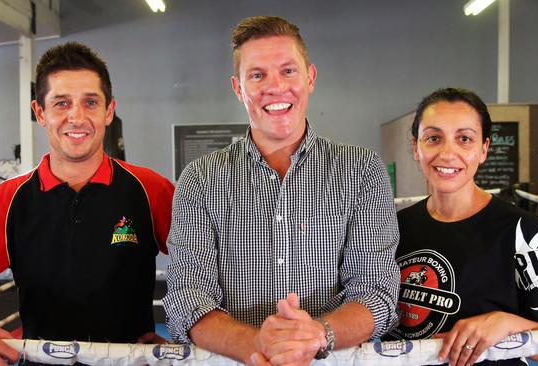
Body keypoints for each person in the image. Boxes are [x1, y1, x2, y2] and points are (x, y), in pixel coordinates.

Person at [164, 15, 400, 366]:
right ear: (238, 88)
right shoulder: (199, 179)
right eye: (257, 75)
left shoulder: (362, 170)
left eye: (288, 71)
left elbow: (377, 293)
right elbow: (187, 298)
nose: (275, 87)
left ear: (310, 78)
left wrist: (316, 335)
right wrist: (256, 343)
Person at [0, 42, 174, 365]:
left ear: (109, 111)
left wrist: (189, 330)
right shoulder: (7, 201)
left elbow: (213, 266)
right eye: (61, 103)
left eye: (90, 102)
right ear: (39, 113)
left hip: (133, 362)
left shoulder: (150, 189)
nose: (76, 116)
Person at [389, 87, 538, 366]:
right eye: (433, 138)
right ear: (416, 148)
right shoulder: (394, 227)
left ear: (483, 150)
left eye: (464, 139)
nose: (447, 152)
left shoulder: (520, 229)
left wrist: (504, 323)